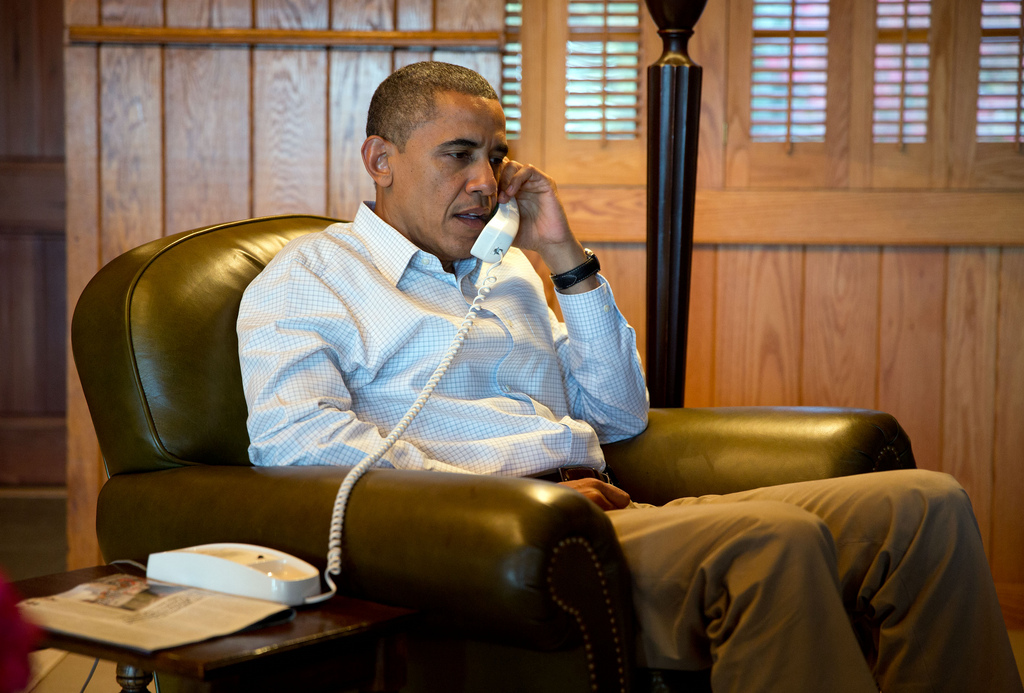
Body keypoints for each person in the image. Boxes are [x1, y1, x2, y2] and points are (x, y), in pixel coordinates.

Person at [237, 61, 1023, 692]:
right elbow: (295, 442)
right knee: (771, 541)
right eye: (459, 154)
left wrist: (564, 257)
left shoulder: (507, 269)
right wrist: (519, 492)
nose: (486, 180)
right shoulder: (311, 277)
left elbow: (617, 414)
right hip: (508, 537)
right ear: (381, 159)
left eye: (497, 155)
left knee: (927, 504)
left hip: (613, 507)